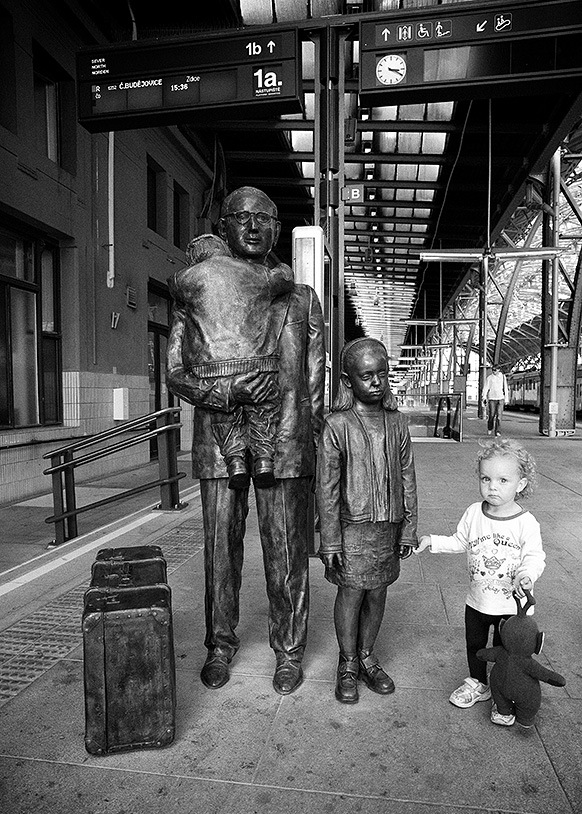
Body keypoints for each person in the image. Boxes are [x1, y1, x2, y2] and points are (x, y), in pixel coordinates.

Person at [167, 186, 325, 696]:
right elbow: (174, 370)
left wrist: (312, 445)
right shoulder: (204, 289)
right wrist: (222, 388)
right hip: (218, 436)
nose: (253, 227)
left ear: (278, 229)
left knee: (287, 550)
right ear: (225, 225)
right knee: (220, 550)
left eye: (265, 218)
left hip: (287, 439)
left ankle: (290, 649)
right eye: (241, 217)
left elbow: (316, 383)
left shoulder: (301, 298)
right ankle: (220, 644)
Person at [414, 438, 546, 725]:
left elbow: (536, 557)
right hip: (476, 601)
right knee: (474, 645)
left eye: (502, 480)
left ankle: (503, 694)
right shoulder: (475, 512)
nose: (492, 487)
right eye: (486, 479)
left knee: (505, 655)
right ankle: (478, 683)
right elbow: (460, 541)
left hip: (510, 608)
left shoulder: (526, 523)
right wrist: (431, 541)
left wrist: (527, 574)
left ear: (520, 484)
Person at [316, 338, 418, 704]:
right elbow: (325, 489)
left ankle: (368, 657)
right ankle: (346, 663)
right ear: (347, 381)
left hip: (387, 527)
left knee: (377, 592)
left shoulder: (397, 423)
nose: (377, 382)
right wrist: (329, 540)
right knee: (351, 593)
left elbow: (407, 477)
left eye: (383, 374)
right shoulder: (337, 425)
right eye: (367, 376)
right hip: (351, 528)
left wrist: (408, 527)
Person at [168, 232, 293, 490]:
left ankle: (234, 460)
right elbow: (284, 277)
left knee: (223, 417)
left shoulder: (184, 279)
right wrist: (281, 267)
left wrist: (224, 392)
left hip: (213, 369)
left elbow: (173, 284)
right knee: (263, 409)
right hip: (258, 365)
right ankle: (263, 459)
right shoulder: (256, 273)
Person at [483, 364, 509, 436]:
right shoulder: (489, 378)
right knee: (491, 415)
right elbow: (486, 388)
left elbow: (505, 388)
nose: (493, 371)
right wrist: (484, 397)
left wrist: (506, 399)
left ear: (498, 370)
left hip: (501, 398)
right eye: (493, 370)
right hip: (492, 398)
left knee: (499, 416)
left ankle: (498, 431)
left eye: (495, 370)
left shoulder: (503, 377)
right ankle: (490, 427)